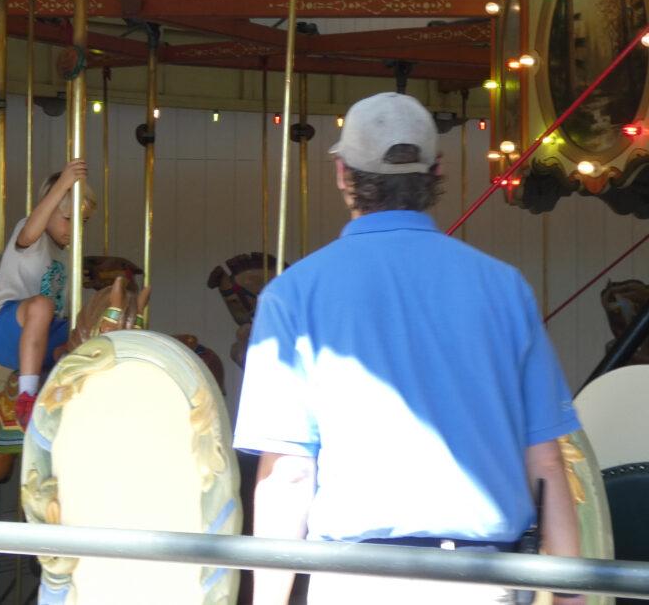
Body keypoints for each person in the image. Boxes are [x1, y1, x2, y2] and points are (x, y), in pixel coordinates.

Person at [233, 92, 584, 605]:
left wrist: (269, 601)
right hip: (487, 580)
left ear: (342, 173)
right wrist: (574, 594)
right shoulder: (505, 287)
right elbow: (547, 463)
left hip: (357, 580)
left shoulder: (293, 294)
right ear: (436, 171)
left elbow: (289, 471)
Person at [0, 160, 95, 429]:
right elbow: (31, 231)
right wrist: (64, 184)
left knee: (90, 328)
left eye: (83, 222)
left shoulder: (68, 256)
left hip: (46, 338)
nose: (75, 229)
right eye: (68, 219)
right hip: (6, 332)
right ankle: (26, 396)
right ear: (49, 209)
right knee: (42, 306)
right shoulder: (31, 234)